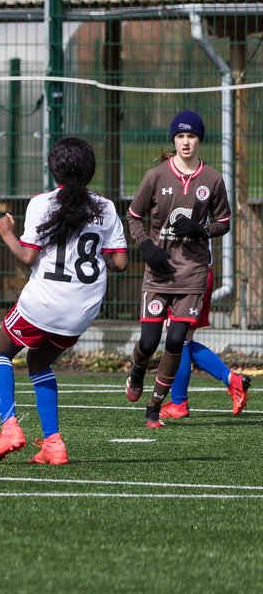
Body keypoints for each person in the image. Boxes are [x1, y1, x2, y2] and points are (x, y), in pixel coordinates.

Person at [0, 138, 129, 465]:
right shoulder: (106, 207)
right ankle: (53, 443)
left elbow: (28, 257)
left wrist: (6, 233)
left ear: (55, 168)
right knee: (38, 363)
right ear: (90, 169)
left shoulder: (42, 203)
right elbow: (120, 263)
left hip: (44, 302)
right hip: (83, 310)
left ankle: (9, 428)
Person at [124, 110, 237, 427]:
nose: (186, 142)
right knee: (148, 342)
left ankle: (154, 407)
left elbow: (224, 222)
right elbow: (134, 216)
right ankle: (136, 370)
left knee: (176, 341)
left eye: (192, 136)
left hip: (193, 273)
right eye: (180, 136)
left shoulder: (212, 179)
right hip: (159, 272)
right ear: (173, 140)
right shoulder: (156, 175)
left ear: (200, 140)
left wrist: (203, 231)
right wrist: (146, 246)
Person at [158, 258, 251, 421]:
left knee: (177, 340)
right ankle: (233, 380)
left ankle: (178, 404)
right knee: (183, 339)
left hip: (188, 275)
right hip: (196, 273)